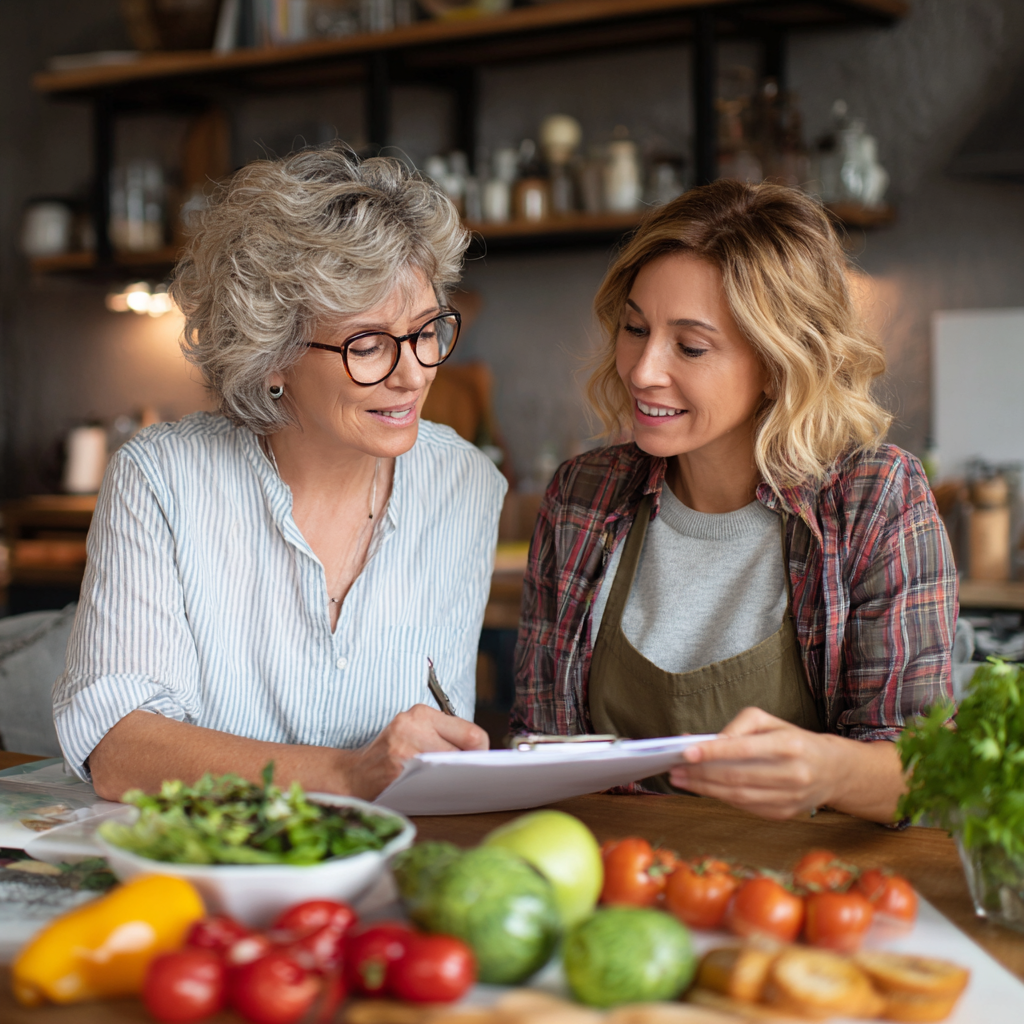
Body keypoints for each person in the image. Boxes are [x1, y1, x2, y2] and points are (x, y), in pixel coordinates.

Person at [54, 147, 505, 801]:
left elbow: (437, 743)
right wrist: (346, 775)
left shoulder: (464, 484)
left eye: (427, 330)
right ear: (274, 355)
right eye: (369, 344)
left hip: (387, 869)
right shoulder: (161, 481)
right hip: (196, 871)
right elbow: (120, 751)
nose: (415, 373)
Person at [511, 180, 956, 823]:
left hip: (801, 899)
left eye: (690, 346)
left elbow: (925, 770)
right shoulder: (582, 497)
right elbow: (543, 750)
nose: (641, 370)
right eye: (636, 328)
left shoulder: (873, 499)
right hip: (611, 888)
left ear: (779, 363)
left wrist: (830, 771)